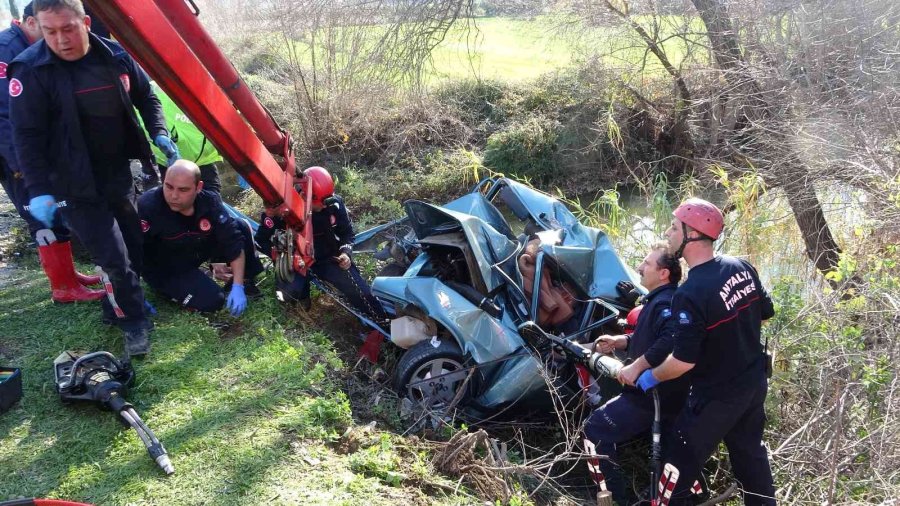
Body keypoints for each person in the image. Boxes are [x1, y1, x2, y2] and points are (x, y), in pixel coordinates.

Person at [8, 0, 181, 357]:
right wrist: (38, 189)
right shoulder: (29, 70)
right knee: (112, 256)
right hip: (70, 182)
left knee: (132, 243)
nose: (61, 40)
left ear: (85, 22)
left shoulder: (115, 56)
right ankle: (133, 322)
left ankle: (115, 302)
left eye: (68, 29)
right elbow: (26, 135)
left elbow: (146, 97)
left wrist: (158, 131)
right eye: (49, 31)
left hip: (116, 171)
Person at [633, 198, 776, 505]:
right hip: (752, 384)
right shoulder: (740, 266)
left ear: (693, 234)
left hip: (716, 397)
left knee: (675, 470)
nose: (668, 233)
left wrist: (651, 376)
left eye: (675, 228)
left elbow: (683, 361)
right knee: (750, 459)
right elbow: (765, 313)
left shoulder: (690, 293)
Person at [0, 2, 104, 303]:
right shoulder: (6, 51)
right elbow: (5, 116)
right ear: (31, 22)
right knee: (39, 214)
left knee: (55, 208)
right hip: (11, 152)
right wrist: (23, 164)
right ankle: (63, 287)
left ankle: (69, 274)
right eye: (47, 30)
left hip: (30, 149)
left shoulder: (26, 46)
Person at [582, 244, 688, 503]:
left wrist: (638, 366)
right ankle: (687, 496)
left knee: (595, 430)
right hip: (664, 397)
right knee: (672, 452)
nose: (640, 268)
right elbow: (654, 338)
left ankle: (614, 499)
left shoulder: (666, 302)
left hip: (649, 396)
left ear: (663, 273)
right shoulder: (661, 300)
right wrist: (622, 341)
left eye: (646, 263)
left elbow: (671, 340)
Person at [255, 166, 383, 318]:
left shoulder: (333, 205)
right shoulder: (282, 209)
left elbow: (347, 233)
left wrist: (345, 253)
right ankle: (302, 304)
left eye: (328, 200)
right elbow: (260, 241)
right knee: (286, 295)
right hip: (295, 260)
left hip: (328, 259)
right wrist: (281, 257)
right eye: (321, 202)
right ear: (305, 195)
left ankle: (381, 321)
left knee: (363, 294)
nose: (325, 205)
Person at [138, 160, 262, 315]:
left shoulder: (209, 201)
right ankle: (171, 289)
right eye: (168, 187)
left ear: (198, 187)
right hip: (167, 266)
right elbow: (131, 252)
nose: (174, 196)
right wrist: (134, 294)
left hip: (193, 249)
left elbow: (233, 241)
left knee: (240, 226)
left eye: (183, 189)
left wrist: (237, 285)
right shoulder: (147, 206)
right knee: (213, 300)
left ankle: (243, 282)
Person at [139, 81, 223, 194]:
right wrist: (160, 136)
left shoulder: (216, 94)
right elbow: (140, 116)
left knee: (212, 201)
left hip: (203, 163)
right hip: (163, 163)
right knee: (158, 202)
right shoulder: (158, 88)